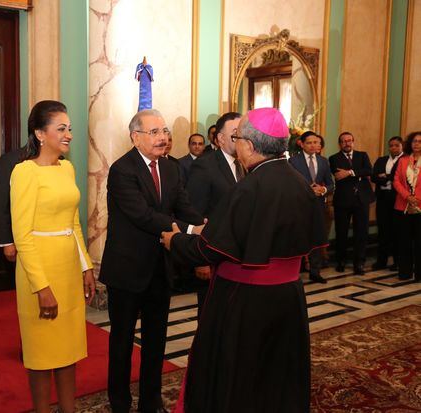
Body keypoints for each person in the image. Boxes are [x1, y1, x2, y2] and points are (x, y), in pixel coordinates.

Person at [162, 108, 326, 412]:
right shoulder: (299, 181)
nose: (236, 144)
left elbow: (209, 249)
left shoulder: (249, 188)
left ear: (249, 145)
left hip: (246, 299)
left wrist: (176, 241)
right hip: (289, 296)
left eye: (237, 138)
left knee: (241, 371)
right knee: (277, 368)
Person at [99, 109, 202, 413]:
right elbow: (142, 215)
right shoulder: (122, 170)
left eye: (164, 131)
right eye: (155, 132)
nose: (163, 138)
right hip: (127, 270)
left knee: (156, 342)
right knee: (121, 343)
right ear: (136, 137)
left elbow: (182, 204)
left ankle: (150, 401)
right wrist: (190, 230)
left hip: (160, 268)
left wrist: (206, 224)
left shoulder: (170, 168)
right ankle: (119, 403)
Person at [10, 100, 96, 413]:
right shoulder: (24, 172)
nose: (69, 134)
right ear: (40, 133)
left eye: (69, 128)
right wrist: (41, 287)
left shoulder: (68, 168)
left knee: (69, 348)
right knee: (42, 351)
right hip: (39, 270)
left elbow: (73, 222)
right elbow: (22, 235)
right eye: (61, 128)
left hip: (68, 267)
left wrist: (85, 266)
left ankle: (69, 410)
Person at [184, 112, 242, 316]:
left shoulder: (244, 164)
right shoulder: (205, 165)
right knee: (210, 313)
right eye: (235, 133)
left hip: (236, 257)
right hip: (212, 254)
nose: (241, 137)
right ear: (220, 138)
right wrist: (201, 260)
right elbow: (195, 212)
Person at [289, 131, 334, 283]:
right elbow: (290, 184)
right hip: (300, 207)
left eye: (316, 142)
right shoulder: (293, 161)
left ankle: (315, 271)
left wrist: (323, 190)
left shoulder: (323, 161)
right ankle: (295, 272)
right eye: (309, 142)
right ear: (302, 144)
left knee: (316, 239)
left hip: (319, 207)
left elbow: (331, 184)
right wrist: (309, 189)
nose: (313, 145)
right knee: (298, 238)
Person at [329, 132, 375, 275]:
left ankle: (359, 263)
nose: (347, 143)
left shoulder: (363, 155)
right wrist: (358, 174)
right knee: (341, 232)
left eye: (349, 141)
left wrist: (350, 172)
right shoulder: (333, 158)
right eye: (343, 141)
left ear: (353, 142)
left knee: (361, 232)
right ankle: (341, 261)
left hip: (361, 199)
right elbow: (338, 175)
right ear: (340, 144)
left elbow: (369, 170)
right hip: (343, 201)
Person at [371, 136, 404, 270]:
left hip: (398, 199)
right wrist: (386, 179)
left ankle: (397, 262)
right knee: (383, 230)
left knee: (397, 231)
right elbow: (374, 177)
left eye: (396, 145)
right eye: (391, 145)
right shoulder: (382, 160)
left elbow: (401, 177)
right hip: (383, 198)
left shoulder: (405, 160)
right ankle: (381, 261)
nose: (393, 148)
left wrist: (386, 176)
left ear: (402, 146)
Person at [393, 131, 421, 281]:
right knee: (404, 241)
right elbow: (396, 181)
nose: (416, 144)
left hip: (420, 206)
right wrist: (407, 196)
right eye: (414, 141)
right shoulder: (403, 160)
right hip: (403, 205)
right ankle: (404, 272)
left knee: (419, 242)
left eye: (420, 141)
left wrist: (416, 198)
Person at [0, 145, 27, 263]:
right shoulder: (11, 160)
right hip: (19, 241)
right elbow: (0, 203)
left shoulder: (62, 161)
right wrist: (7, 242)